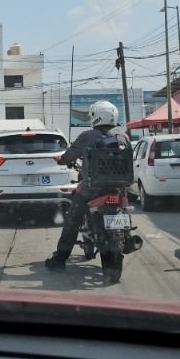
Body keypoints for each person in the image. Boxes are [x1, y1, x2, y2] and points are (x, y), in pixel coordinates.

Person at [45, 100, 129, 272]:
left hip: (92, 190)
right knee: (124, 212)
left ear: (95, 117)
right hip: (119, 189)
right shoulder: (123, 136)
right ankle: (125, 237)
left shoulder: (87, 136)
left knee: (72, 221)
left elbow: (69, 156)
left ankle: (60, 259)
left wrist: (61, 159)